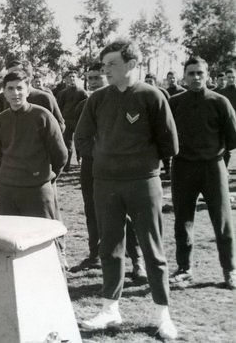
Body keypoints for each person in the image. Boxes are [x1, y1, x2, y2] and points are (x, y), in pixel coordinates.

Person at [75, 39, 179, 339]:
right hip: (105, 184)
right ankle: (110, 309)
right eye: (104, 65)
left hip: (143, 182)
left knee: (152, 249)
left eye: (112, 65)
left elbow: (170, 144)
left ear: (131, 65)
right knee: (110, 246)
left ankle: (162, 314)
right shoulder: (97, 99)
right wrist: (106, 157)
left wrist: (139, 162)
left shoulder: (152, 96)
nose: (105, 70)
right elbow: (81, 139)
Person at [71, 64, 148, 282]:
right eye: (90, 78)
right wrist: (95, 156)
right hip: (92, 166)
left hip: (121, 168)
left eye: (98, 77)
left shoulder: (127, 101)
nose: (94, 82)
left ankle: (137, 261)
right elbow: (80, 137)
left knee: (126, 213)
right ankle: (95, 254)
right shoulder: (83, 106)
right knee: (92, 210)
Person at [168, 57, 236, 290]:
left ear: (207, 75)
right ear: (184, 76)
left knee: (222, 220)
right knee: (183, 220)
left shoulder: (220, 102)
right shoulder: (174, 103)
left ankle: (230, 270)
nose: (196, 77)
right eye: (191, 73)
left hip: (213, 166)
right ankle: (184, 269)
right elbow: (165, 134)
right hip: (183, 167)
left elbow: (232, 138)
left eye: (200, 73)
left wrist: (214, 156)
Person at [0, 70, 67, 265]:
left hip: (37, 189)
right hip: (7, 189)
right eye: (10, 89)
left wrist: (45, 177)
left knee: (45, 240)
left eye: (19, 88)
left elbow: (60, 155)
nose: (15, 93)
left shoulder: (42, 116)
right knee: (10, 242)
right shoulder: (0, 120)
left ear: (28, 90)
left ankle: (55, 281)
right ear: (4, 92)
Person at [56, 70, 88, 172]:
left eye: (74, 77)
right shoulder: (62, 93)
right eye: (70, 77)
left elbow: (87, 106)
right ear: (66, 79)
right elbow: (59, 108)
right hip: (66, 121)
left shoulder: (82, 92)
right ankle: (66, 166)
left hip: (78, 120)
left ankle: (80, 160)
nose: (72, 79)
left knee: (79, 141)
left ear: (77, 78)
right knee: (67, 143)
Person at [216, 68, 236, 165]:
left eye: (233, 77)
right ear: (226, 78)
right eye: (229, 77)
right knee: (227, 147)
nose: (231, 79)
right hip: (227, 123)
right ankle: (225, 169)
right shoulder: (222, 92)